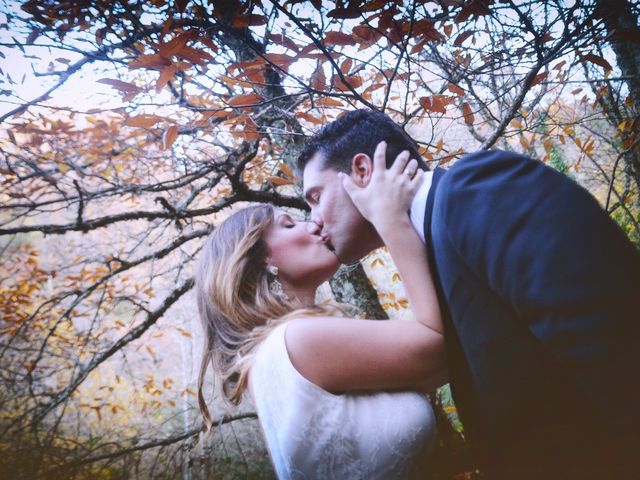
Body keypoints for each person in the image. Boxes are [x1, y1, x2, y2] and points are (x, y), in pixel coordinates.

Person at [297, 108, 640, 480]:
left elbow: (612, 340)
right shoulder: (431, 243)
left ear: (362, 172)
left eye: (315, 196)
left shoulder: (474, 188)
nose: (312, 220)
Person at [195, 143, 448, 479]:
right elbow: (438, 344)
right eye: (287, 225)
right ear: (261, 260)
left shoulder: (271, 359)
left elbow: (441, 369)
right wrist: (389, 220)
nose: (312, 225)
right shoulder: (297, 341)